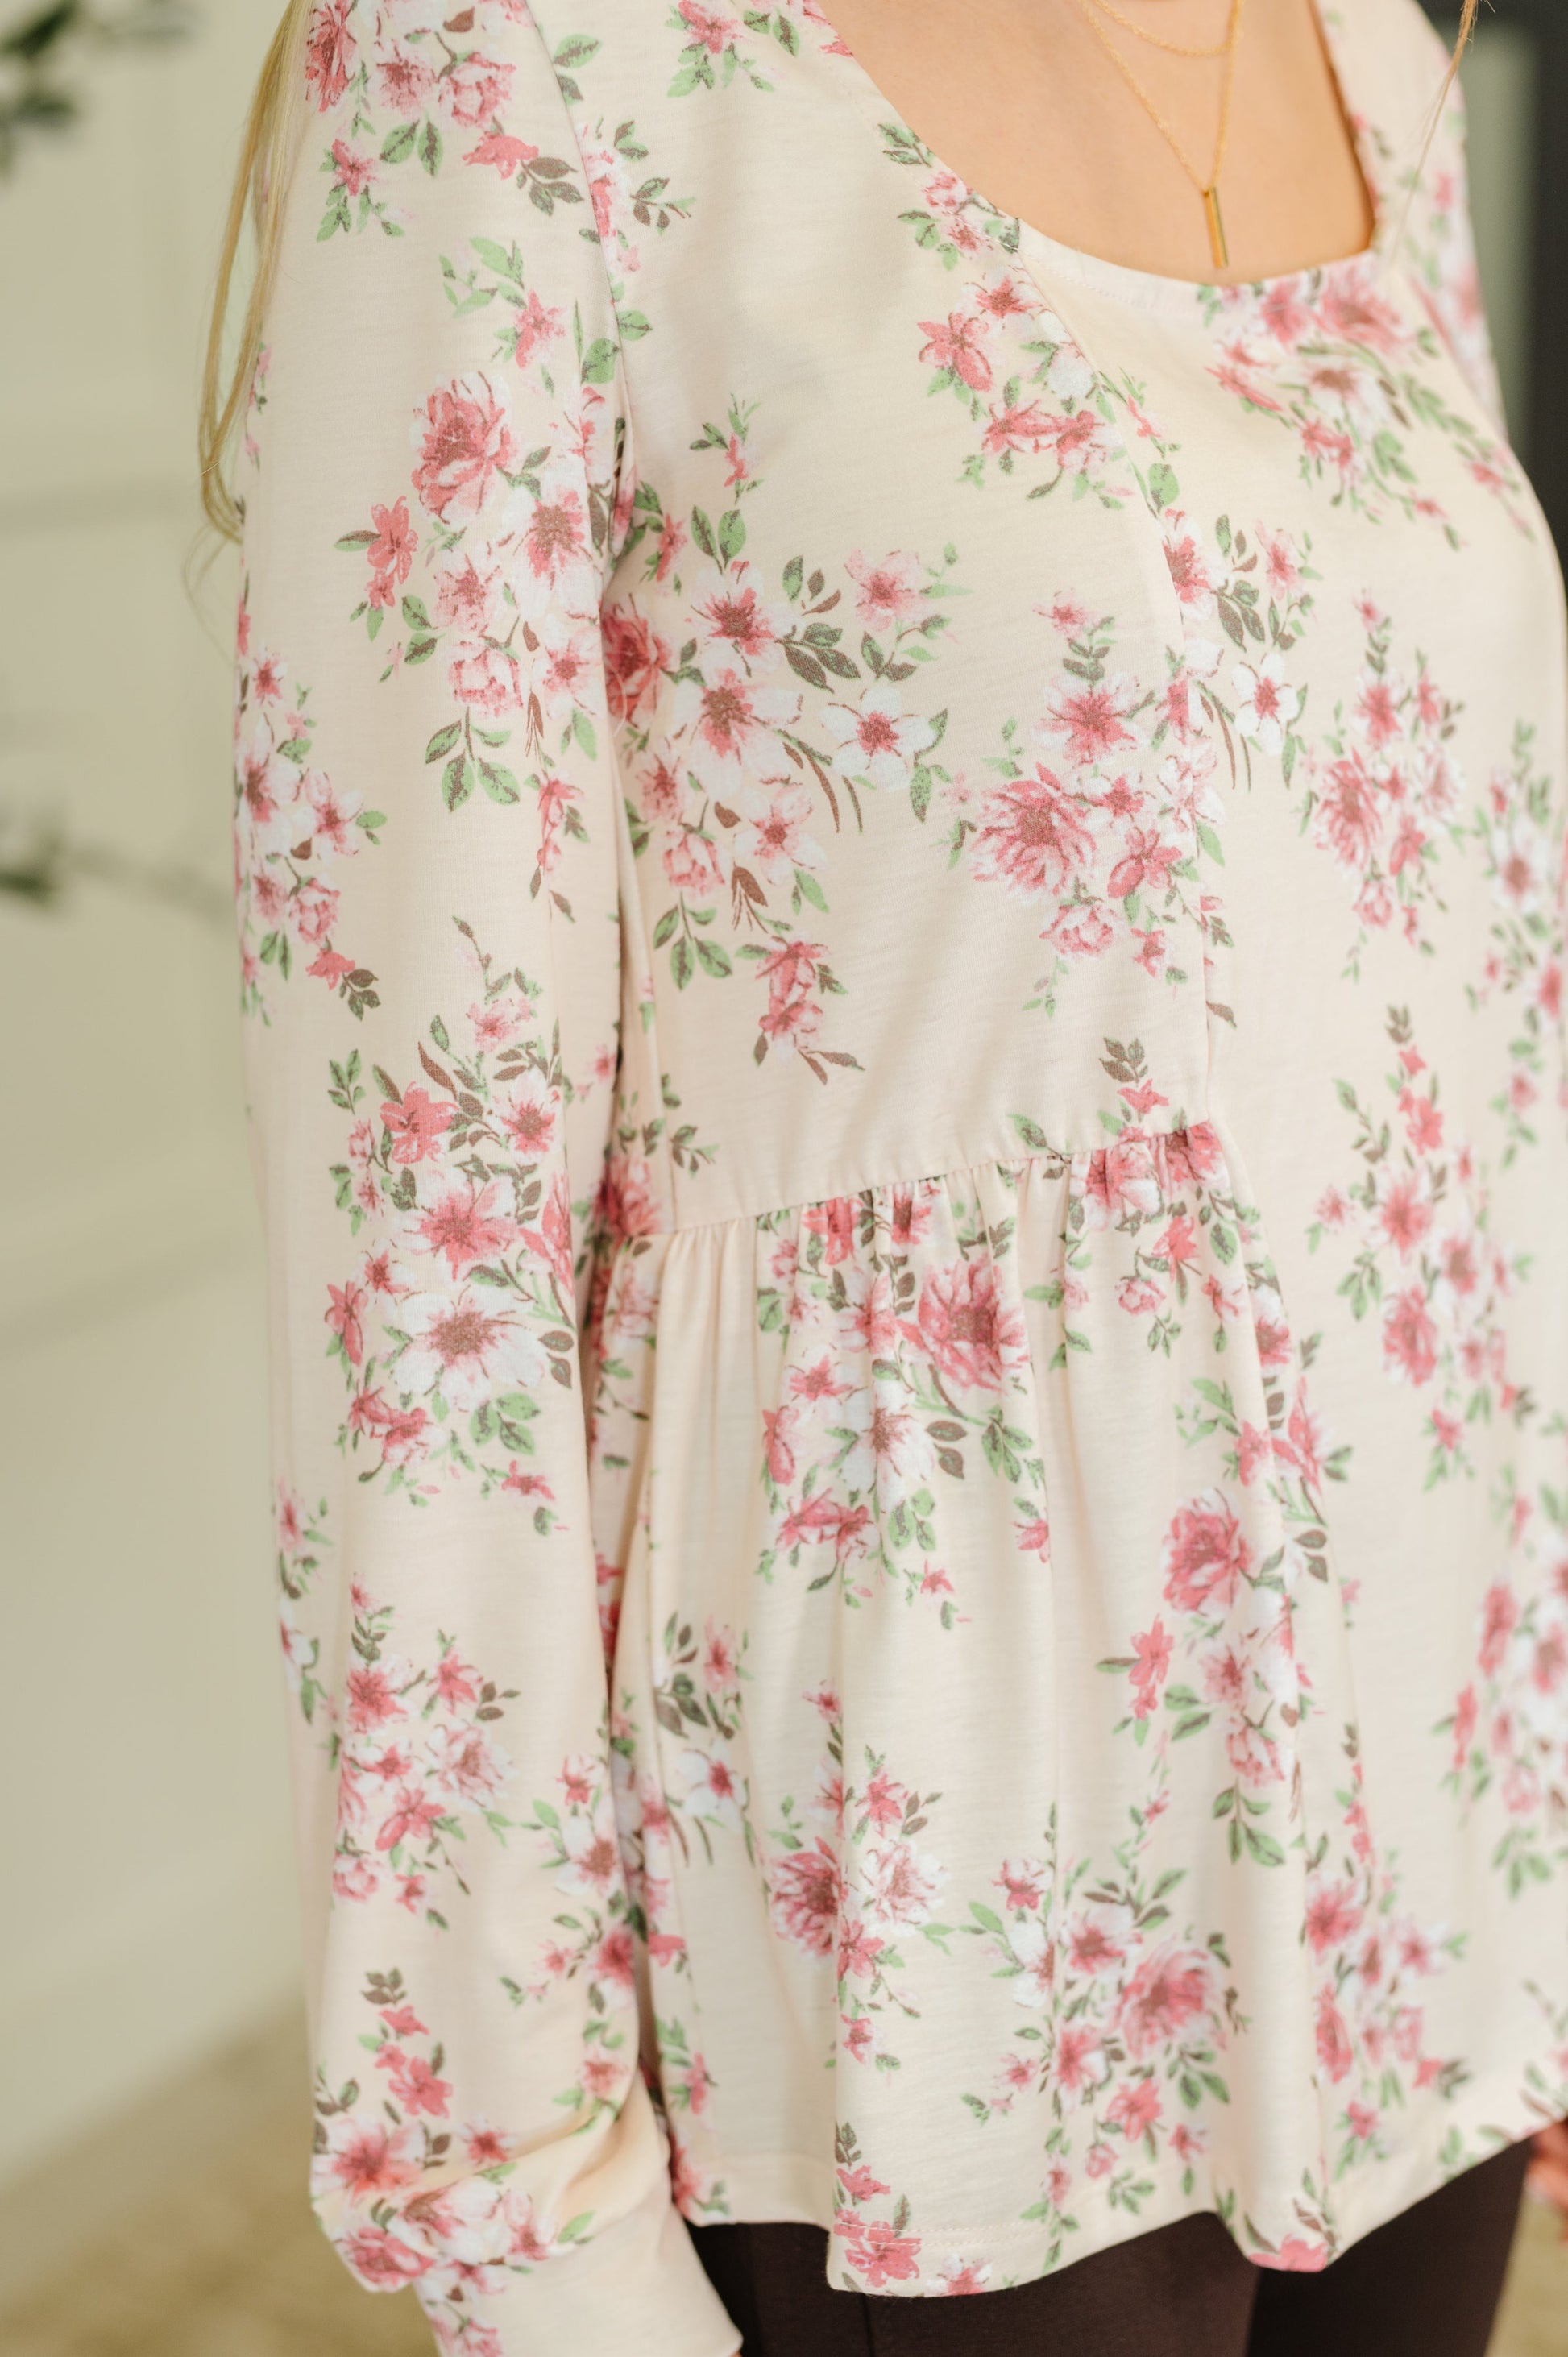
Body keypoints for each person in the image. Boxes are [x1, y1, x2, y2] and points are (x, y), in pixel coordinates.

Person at [201, 1, 1568, 2350]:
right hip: (930, 1905)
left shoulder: (1361, 44)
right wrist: (505, 2184)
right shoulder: (515, 60)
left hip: (1419, 1855)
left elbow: (1459, 1026)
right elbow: (424, 1222)